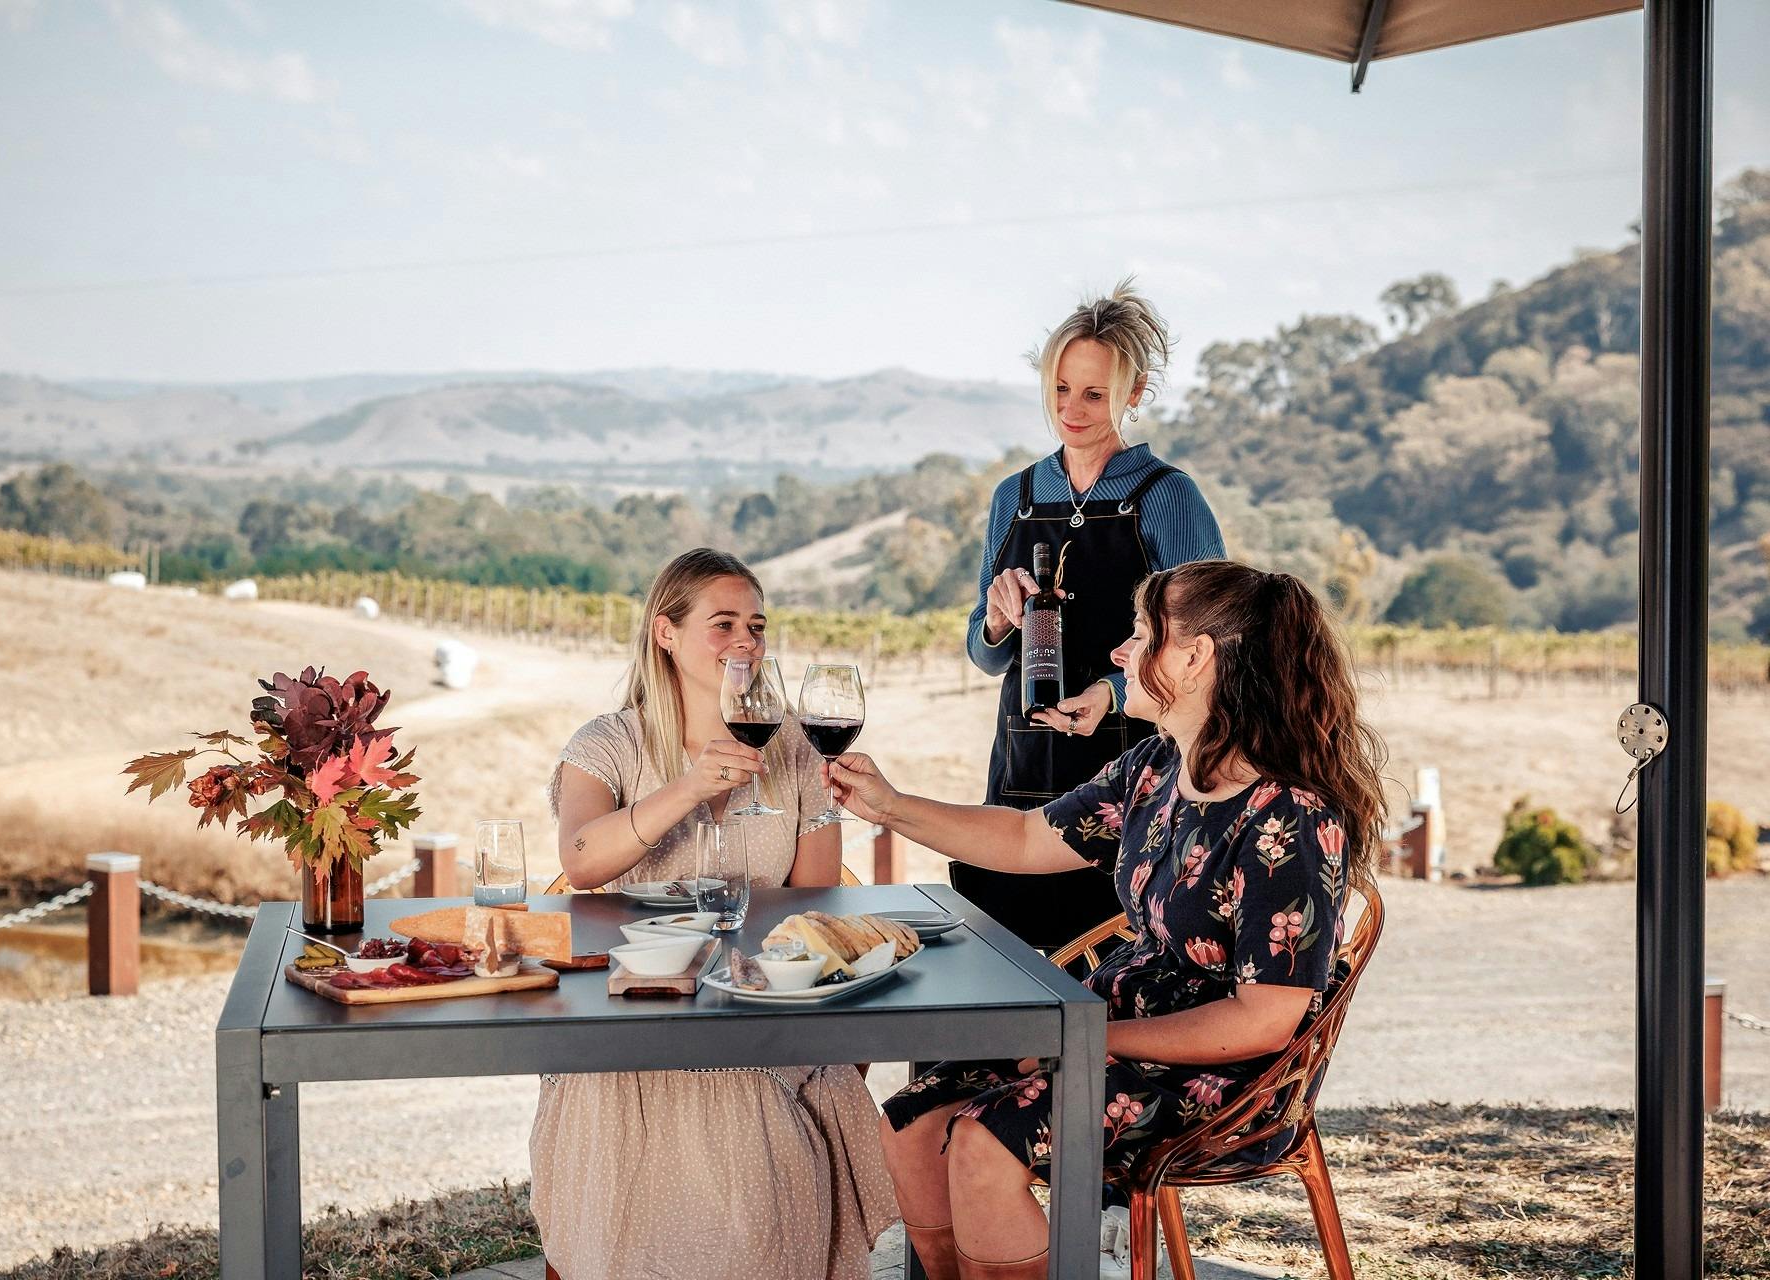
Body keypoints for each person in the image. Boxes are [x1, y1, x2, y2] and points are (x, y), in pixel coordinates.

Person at [826, 560, 1386, 1280]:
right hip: (1105, 1029)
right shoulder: (1155, 767)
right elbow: (1026, 838)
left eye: (1142, 634)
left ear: (1194, 657)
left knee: (981, 1143)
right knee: (910, 1123)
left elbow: (1264, 1020)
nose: (1120, 652)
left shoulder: (1289, 818)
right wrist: (891, 806)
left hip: (1222, 1073)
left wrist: (1084, 1042)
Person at [533, 547, 897, 1280]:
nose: (745, 642)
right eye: (723, 623)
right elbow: (582, 860)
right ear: (665, 633)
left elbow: (814, 903)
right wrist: (689, 787)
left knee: (751, 1103)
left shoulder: (794, 750)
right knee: (702, 1101)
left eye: (756, 626)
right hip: (634, 1006)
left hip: (760, 999)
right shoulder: (608, 743)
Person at [960, 278, 1225, 950]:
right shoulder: (1013, 496)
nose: (1070, 410)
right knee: (1013, 961)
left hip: (1139, 768)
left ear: (1134, 393)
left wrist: (1109, 691)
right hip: (1021, 768)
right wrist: (996, 623)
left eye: (1094, 394)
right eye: (1059, 389)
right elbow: (984, 654)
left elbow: (1212, 643)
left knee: (1114, 962)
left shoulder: (1168, 497)